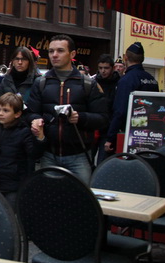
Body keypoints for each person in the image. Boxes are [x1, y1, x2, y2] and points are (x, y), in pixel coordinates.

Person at [27, 35, 108, 184]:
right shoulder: (41, 82)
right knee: (48, 195)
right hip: (48, 154)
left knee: (80, 196)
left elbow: (102, 119)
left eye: (60, 50)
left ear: (72, 54)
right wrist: (35, 120)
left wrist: (80, 118)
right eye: (51, 51)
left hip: (79, 156)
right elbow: (31, 113)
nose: (54, 55)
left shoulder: (88, 84)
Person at [0, 93, 45, 208]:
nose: (0, 113)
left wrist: (40, 137)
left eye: (5, 110)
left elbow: (34, 153)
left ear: (17, 114)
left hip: (15, 184)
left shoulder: (23, 132)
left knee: (9, 212)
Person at [104, 42, 159, 156]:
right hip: (150, 134)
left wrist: (110, 137)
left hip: (130, 134)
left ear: (126, 58)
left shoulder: (127, 80)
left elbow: (120, 111)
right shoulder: (152, 79)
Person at [93, 53, 121, 163]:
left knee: (103, 162)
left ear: (112, 68)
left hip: (108, 128)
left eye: (106, 68)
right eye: (100, 68)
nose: (103, 71)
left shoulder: (119, 83)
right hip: (94, 127)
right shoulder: (94, 82)